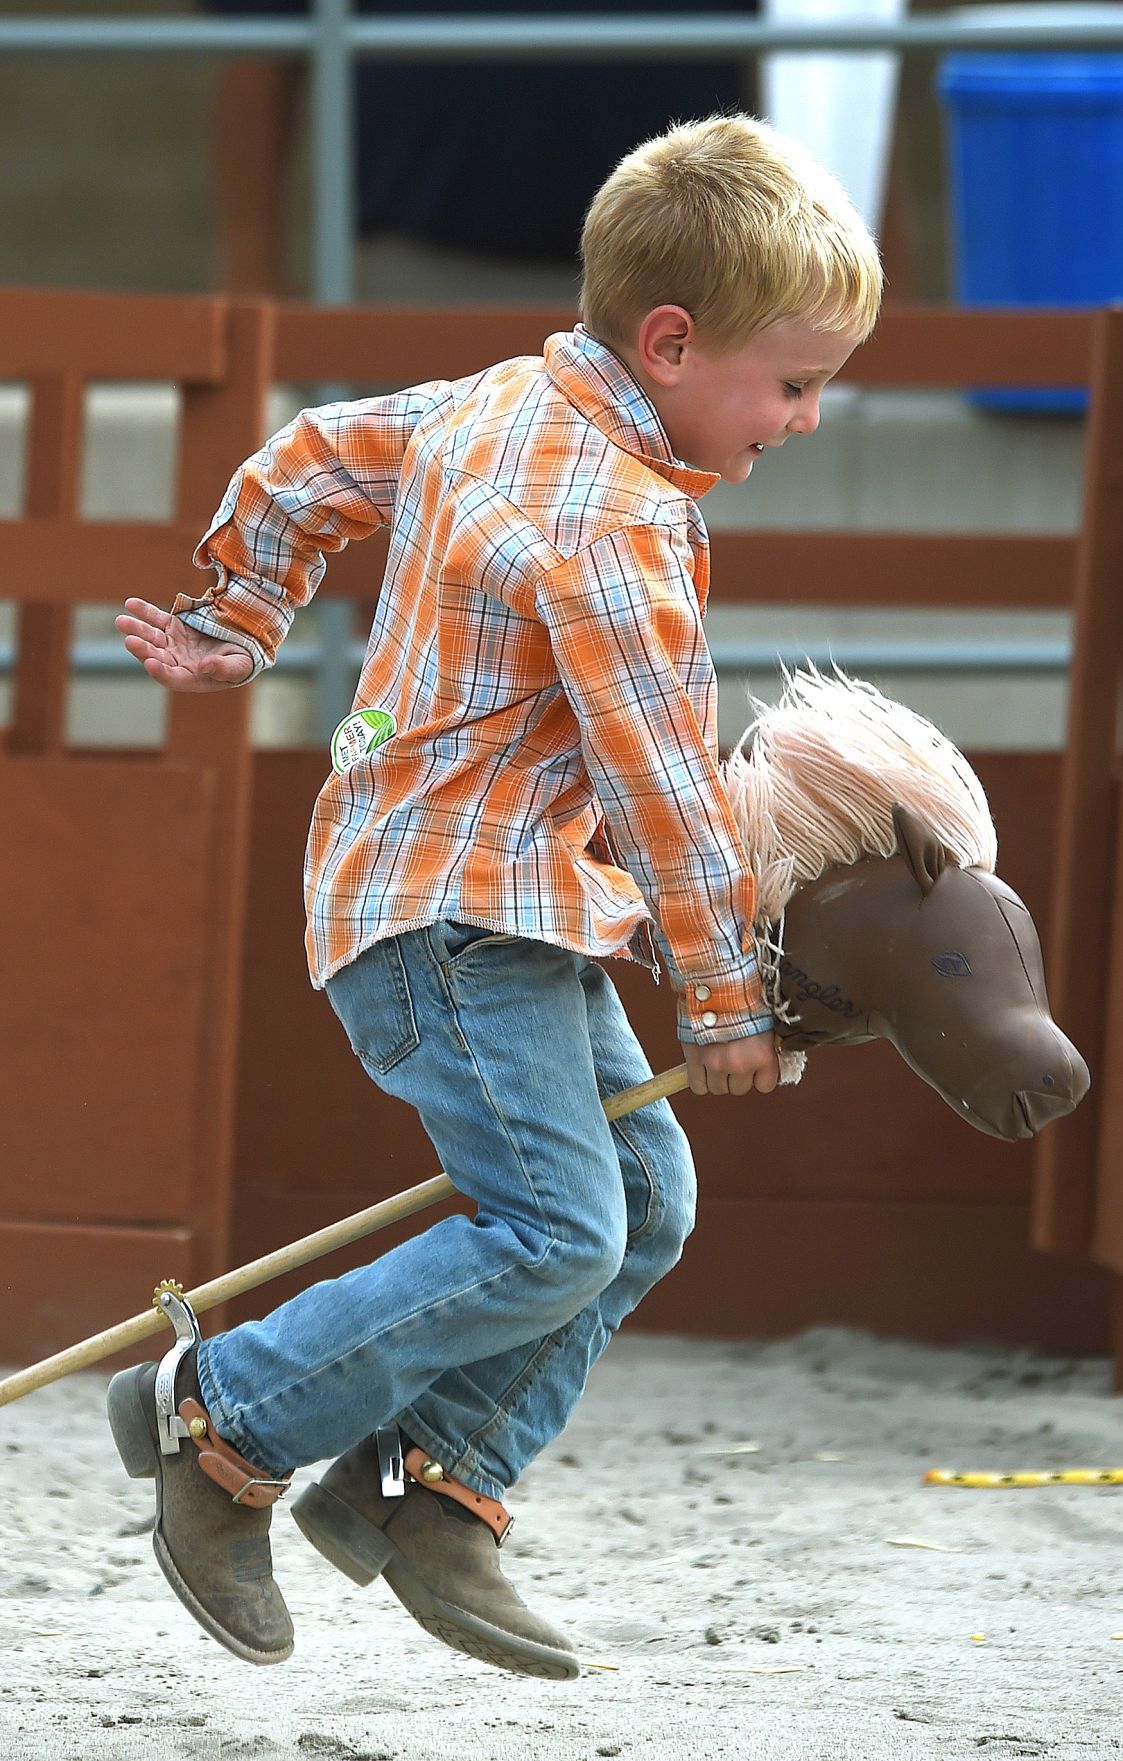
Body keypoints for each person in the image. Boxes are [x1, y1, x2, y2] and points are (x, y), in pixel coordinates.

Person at [109, 114, 882, 1679]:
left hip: (494, 909)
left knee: (640, 1204)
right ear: (670, 345)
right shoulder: (613, 522)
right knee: (552, 1227)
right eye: (792, 383)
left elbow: (314, 453)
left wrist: (244, 609)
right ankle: (220, 1419)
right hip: (450, 920)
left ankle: (426, 1486)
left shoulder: (499, 402)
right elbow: (660, 780)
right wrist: (724, 998)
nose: (802, 418)